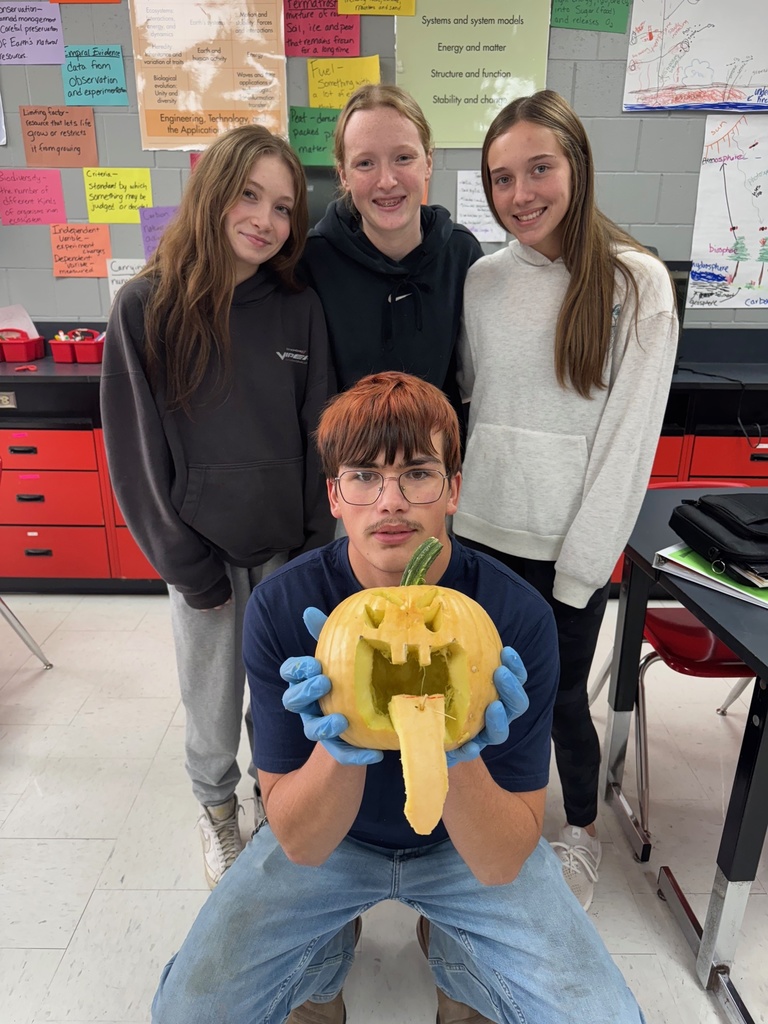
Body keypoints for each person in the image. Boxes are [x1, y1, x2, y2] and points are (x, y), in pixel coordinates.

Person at [150, 371, 646, 1024]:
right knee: (189, 1011)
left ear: (454, 490)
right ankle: (321, 970)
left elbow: (501, 861)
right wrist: (334, 742)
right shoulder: (283, 608)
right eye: (362, 476)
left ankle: (458, 967)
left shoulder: (515, 618)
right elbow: (298, 841)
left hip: (461, 847)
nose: (391, 502)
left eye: (417, 473)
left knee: (605, 1017)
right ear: (334, 494)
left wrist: (458, 752)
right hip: (334, 841)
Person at [453, 90, 679, 910]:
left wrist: (582, 572)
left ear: (577, 166)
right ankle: (481, 827)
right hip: (477, 538)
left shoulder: (635, 283)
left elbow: (627, 450)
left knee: (556, 705)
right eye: (501, 177)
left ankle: (578, 832)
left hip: (564, 553)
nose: (521, 194)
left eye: (539, 168)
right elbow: (484, 404)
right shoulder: (482, 280)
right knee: (479, 695)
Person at [100, 124, 335, 889]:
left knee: (279, 696)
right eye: (249, 195)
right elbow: (136, 458)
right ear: (212, 193)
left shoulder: (299, 309)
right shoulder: (144, 307)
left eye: (283, 207)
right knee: (209, 701)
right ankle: (215, 812)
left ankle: (274, 803)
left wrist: (310, 548)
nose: (265, 220)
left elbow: (319, 432)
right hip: (200, 551)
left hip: (285, 552)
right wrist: (185, 564)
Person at [301, 84, 483, 424]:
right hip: (348, 470)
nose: (386, 181)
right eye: (365, 163)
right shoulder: (311, 263)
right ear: (344, 175)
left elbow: (474, 384)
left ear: (428, 162)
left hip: (436, 468)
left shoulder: (462, 254)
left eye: (403, 158)